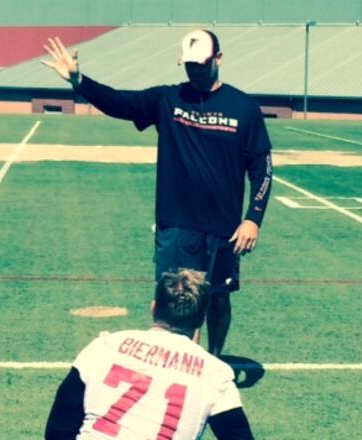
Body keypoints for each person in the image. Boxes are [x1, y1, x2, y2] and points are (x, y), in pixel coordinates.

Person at [41, 30, 273, 357]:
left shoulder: (244, 108)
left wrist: (253, 218)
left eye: (202, 65)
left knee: (218, 298)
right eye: (189, 65)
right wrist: (79, 81)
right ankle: (181, 366)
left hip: (224, 229)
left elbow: (262, 166)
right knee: (178, 301)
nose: (194, 72)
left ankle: (215, 359)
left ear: (219, 59)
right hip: (176, 225)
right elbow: (119, 103)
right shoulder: (168, 100)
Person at [45, 268, 254, 440]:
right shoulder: (215, 374)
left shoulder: (105, 346)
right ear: (200, 321)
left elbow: (59, 429)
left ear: (153, 308)